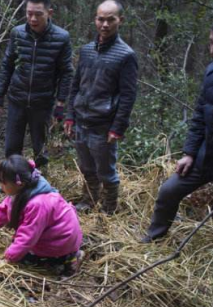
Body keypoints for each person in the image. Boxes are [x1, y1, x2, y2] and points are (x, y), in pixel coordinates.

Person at [141, 21, 213, 243]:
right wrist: (189, 154)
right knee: (168, 191)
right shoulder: (211, 72)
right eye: (212, 43)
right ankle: (153, 240)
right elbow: (199, 118)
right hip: (205, 158)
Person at [64, 0, 138, 214]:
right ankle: (89, 201)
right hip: (81, 121)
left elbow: (128, 95)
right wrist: (70, 116)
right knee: (87, 168)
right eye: (101, 19)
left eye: (110, 19)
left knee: (106, 171)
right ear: (95, 19)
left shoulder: (126, 55)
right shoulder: (86, 51)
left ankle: (109, 210)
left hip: (103, 126)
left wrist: (117, 127)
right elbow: (75, 84)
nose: (105, 24)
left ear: (120, 21)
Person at [0, 0, 73, 168]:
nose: (32, 19)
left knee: (40, 148)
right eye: (29, 13)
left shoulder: (62, 37)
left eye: (38, 14)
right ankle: (13, 182)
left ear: (49, 13)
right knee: (12, 147)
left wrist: (60, 102)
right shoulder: (17, 33)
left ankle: (39, 184)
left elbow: (66, 72)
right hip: (17, 99)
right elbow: (7, 64)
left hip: (43, 102)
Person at [0, 155, 83, 276]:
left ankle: (70, 258)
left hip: (61, 241)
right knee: (20, 250)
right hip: (54, 235)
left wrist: (8, 259)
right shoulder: (23, 190)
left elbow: (27, 237)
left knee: (26, 259)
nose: (1, 187)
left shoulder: (38, 204)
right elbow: (4, 208)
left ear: (19, 183)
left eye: (4, 183)